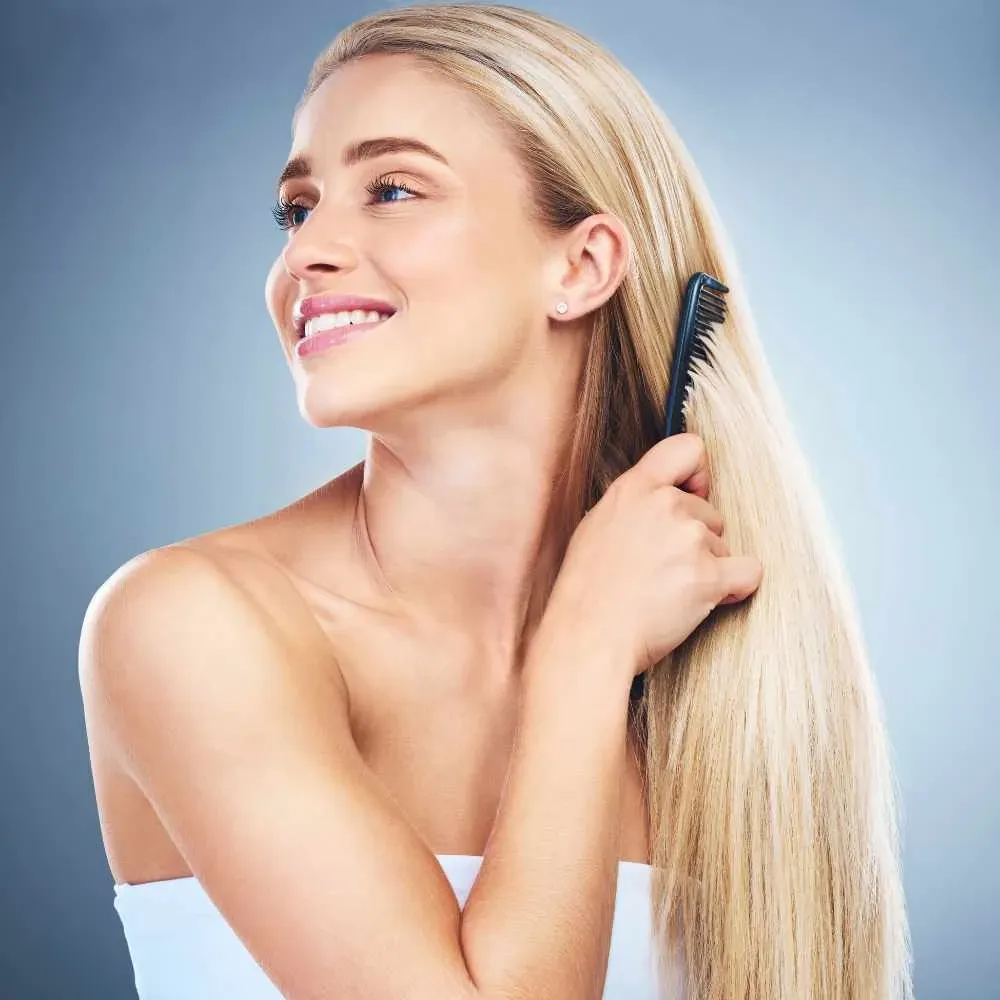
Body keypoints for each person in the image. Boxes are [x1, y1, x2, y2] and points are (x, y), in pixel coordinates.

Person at [78, 4, 912, 999]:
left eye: (391, 188)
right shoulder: (191, 625)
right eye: (297, 208)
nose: (304, 253)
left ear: (581, 264)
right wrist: (584, 652)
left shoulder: (742, 685)